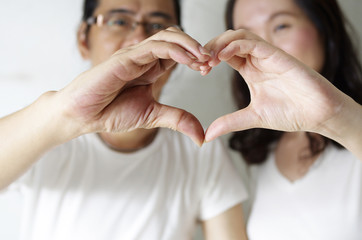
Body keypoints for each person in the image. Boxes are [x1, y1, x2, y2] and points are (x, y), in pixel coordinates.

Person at [0, 0, 249, 239]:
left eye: (157, 26)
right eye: (119, 21)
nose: (140, 40)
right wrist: (67, 113)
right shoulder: (44, 132)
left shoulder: (200, 150)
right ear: (83, 39)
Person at [203, 0, 362, 239]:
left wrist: (337, 115)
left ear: (325, 28)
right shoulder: (261, 151)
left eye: (281, 26)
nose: (262, 47)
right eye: (248, 35)